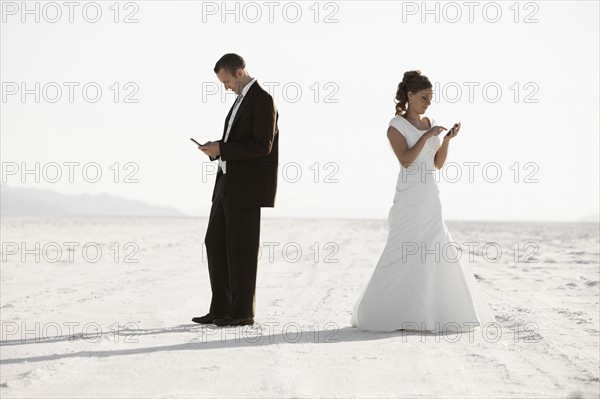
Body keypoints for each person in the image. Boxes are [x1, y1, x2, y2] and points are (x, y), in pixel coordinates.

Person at [351, 70, 495, 333]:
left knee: (435, 247)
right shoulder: (396, 125)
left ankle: (431, 311)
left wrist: (447, 140)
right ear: (410, 95)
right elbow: (406, 160)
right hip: (409, 195)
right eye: (424, 97)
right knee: (401, 247)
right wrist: (427, 137)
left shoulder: (430, 122)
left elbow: (437, 163)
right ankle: (382, 310)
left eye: (431, 97)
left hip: (430, 193)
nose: (428, 102)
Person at [192, 53, 279, 327]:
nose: (226, 86)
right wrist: (216, 149)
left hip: (247, 188)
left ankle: (242, 313)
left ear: (239, 73)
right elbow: (237, 142)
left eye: (227, 80)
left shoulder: (263, 100)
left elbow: (262, 145)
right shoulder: (240, 102)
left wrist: (223, 149)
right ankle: (220, 308)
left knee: (241, 250)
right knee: (215, 243)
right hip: (226, 185)